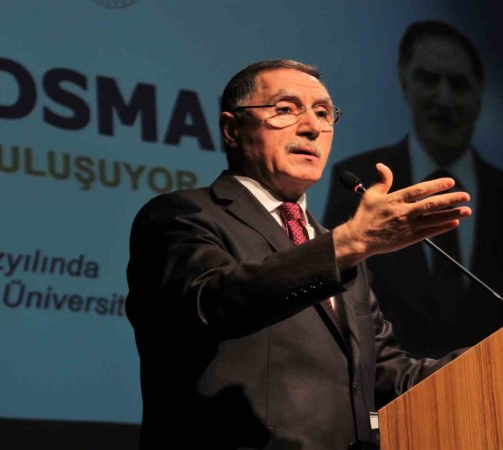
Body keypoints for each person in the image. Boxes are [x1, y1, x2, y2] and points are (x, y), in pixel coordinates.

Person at [125, 59, 472, 450]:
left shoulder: (334, 246)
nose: (311, 127)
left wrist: (500, 362)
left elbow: (385, 374)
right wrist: (347, 244)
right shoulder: (181, 216)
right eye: (285, 109)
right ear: (232, 129)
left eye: (322, 113)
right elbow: (209, 304)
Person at [324, 20, 503, 359]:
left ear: (479, 94)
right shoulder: (359, 181)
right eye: (428, 79)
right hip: (390, 381)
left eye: (459, 84)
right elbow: (339, 296)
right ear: (405, 83)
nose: (444, 98)